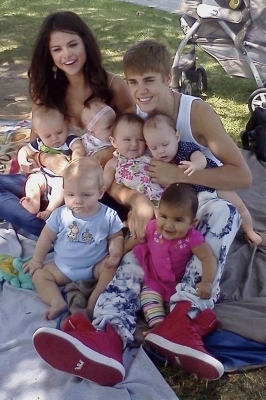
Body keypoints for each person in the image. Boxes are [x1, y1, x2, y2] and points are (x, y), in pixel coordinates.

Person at [31, 38, 251, 384]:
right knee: (132, 255)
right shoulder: (134, 117)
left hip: (195, 207)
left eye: (148, 81)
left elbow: (242, 175)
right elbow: (115, 168)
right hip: (153, 217)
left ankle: (183, 317)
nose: (140, 91)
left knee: (227, 211)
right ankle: (106, 337)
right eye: (133, 82)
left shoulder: (193, 112)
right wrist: (135, 200)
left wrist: (178, 174)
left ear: (168, 78)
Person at [0, 11, 133, 236]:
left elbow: (135, 138)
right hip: (50, 181)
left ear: (85, 44)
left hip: (97, 187)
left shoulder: (113, 86)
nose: (67, 55)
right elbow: (36, 143)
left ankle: (65, 229)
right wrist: (47, 159)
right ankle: (55, 229)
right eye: (57, 49)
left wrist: (97, 158)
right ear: (49, 54)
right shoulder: (46, 90)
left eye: (73, 44)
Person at [23, 157, 124, 320]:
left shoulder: (108, 215)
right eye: (70, 194)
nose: (77, 201)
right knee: (39, 275)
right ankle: (57, 302)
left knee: (111, 270)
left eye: (86, 195)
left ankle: (93, 301)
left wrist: (115, 253)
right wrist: (36, 260)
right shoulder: (60, 214)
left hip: (94, 267)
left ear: (100, 192)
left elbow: (116, 237)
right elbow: (45, 238)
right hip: (63, 267)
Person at [143, 112, 262, 245]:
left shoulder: (183, 148)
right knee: (196, 221)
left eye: (165, 144)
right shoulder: (157, 162)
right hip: (194, 198)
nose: (161, 151)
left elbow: (201, 159)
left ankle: (249, 230)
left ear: (176, 137)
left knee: (238, 204)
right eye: (154, 148)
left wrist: (194, 164)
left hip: (211, 185)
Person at [129, 184, 218, 335]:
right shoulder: (152, 228)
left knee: (188, 306)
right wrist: (118, 252)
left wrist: (207, 282)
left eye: (178, 220)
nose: (169, 225)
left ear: (191, 223)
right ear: (158, 213)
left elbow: (208, 257)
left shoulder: (192, 238)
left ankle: (176, 325)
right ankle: (159, 326)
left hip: (180, 284)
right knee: (148, 300)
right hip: (155, 281)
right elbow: (136, 240)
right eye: (163, 216)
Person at [17, 106, 85, 220]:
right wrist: (22, 161)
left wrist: (76, 159)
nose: (55, 138)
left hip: (60, 177)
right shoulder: (40, 142)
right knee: (33, 180)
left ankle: (50, 209)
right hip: (44, 176)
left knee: (61, 186)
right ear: (37, 133)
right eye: (48, 136)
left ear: (66, 125)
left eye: (59, 132)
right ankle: (33, 201)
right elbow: (24, 150)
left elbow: (78, 147)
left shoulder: (68, 139)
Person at [104, 113, 163, 205]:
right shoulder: (115, 162)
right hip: (137, 203)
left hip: (160, 196)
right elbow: (106, 179)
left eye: (140, 139)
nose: (134, 144)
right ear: (114, 142)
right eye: (127, 139)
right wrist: (101, 189)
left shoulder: (149, 156)